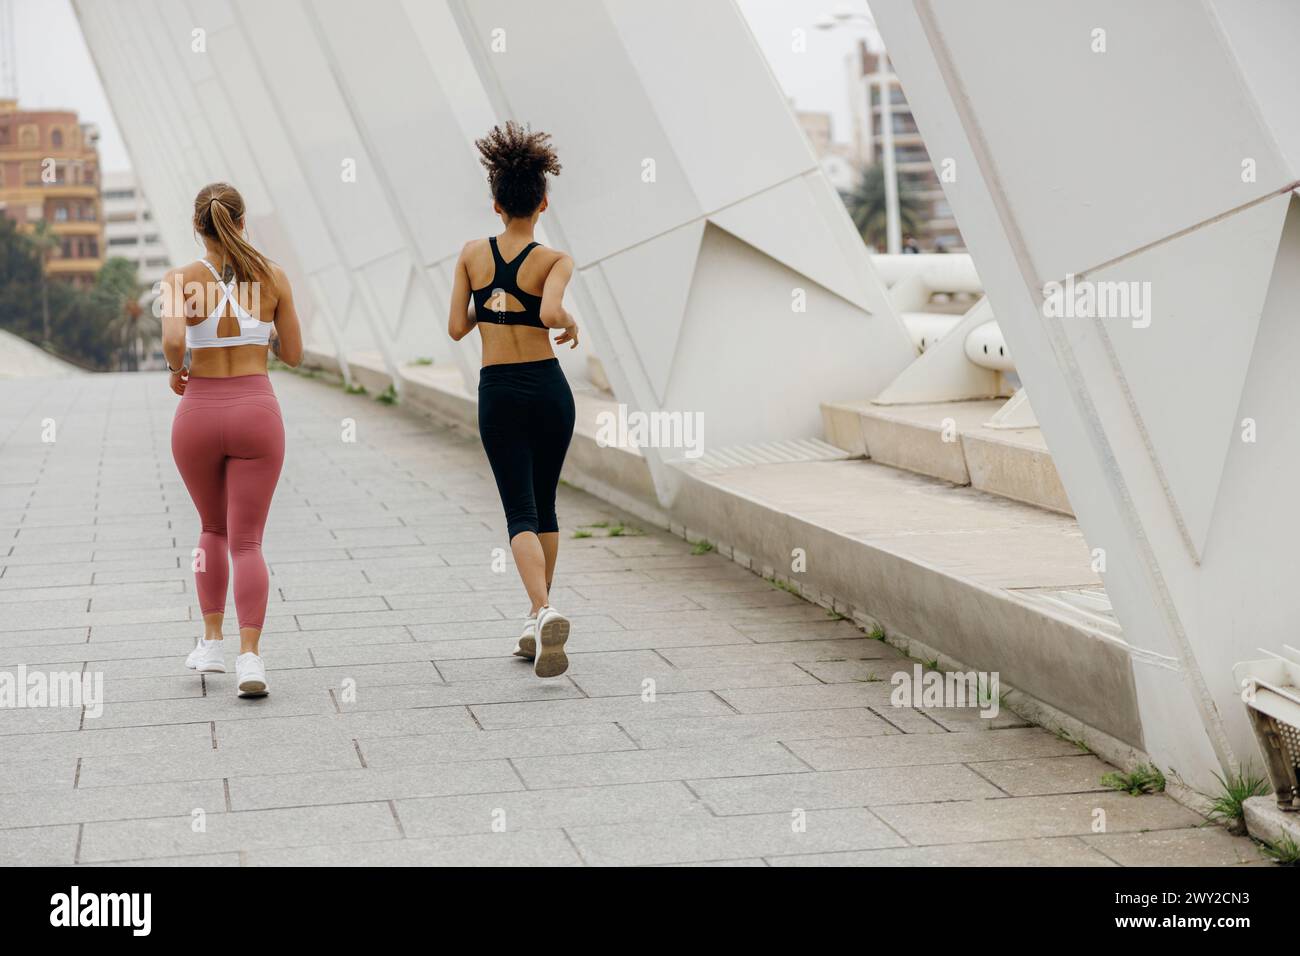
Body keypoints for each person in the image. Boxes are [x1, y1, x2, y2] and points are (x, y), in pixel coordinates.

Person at [160, 182, 303, 697]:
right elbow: (293, 354)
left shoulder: (180, 279)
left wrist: (177, 368)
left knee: (211, 530)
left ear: (197, 227)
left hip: (197, 412)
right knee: (248, 541)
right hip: (255, 411)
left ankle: (211, 642)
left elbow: (176, 341)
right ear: (242, 223)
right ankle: (251, 659)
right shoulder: (273, 278)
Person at [448, 122, 578, 679]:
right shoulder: (555, 260)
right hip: (549, 389)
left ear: (496, 203)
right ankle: (535, 617)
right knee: (545, 504)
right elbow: (549, 314)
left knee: (519, 511)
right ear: (542, 203)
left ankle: (543, 609)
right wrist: (565, 318)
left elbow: (457, 327)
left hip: (499, 391)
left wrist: (493, 304)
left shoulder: (473, 255)